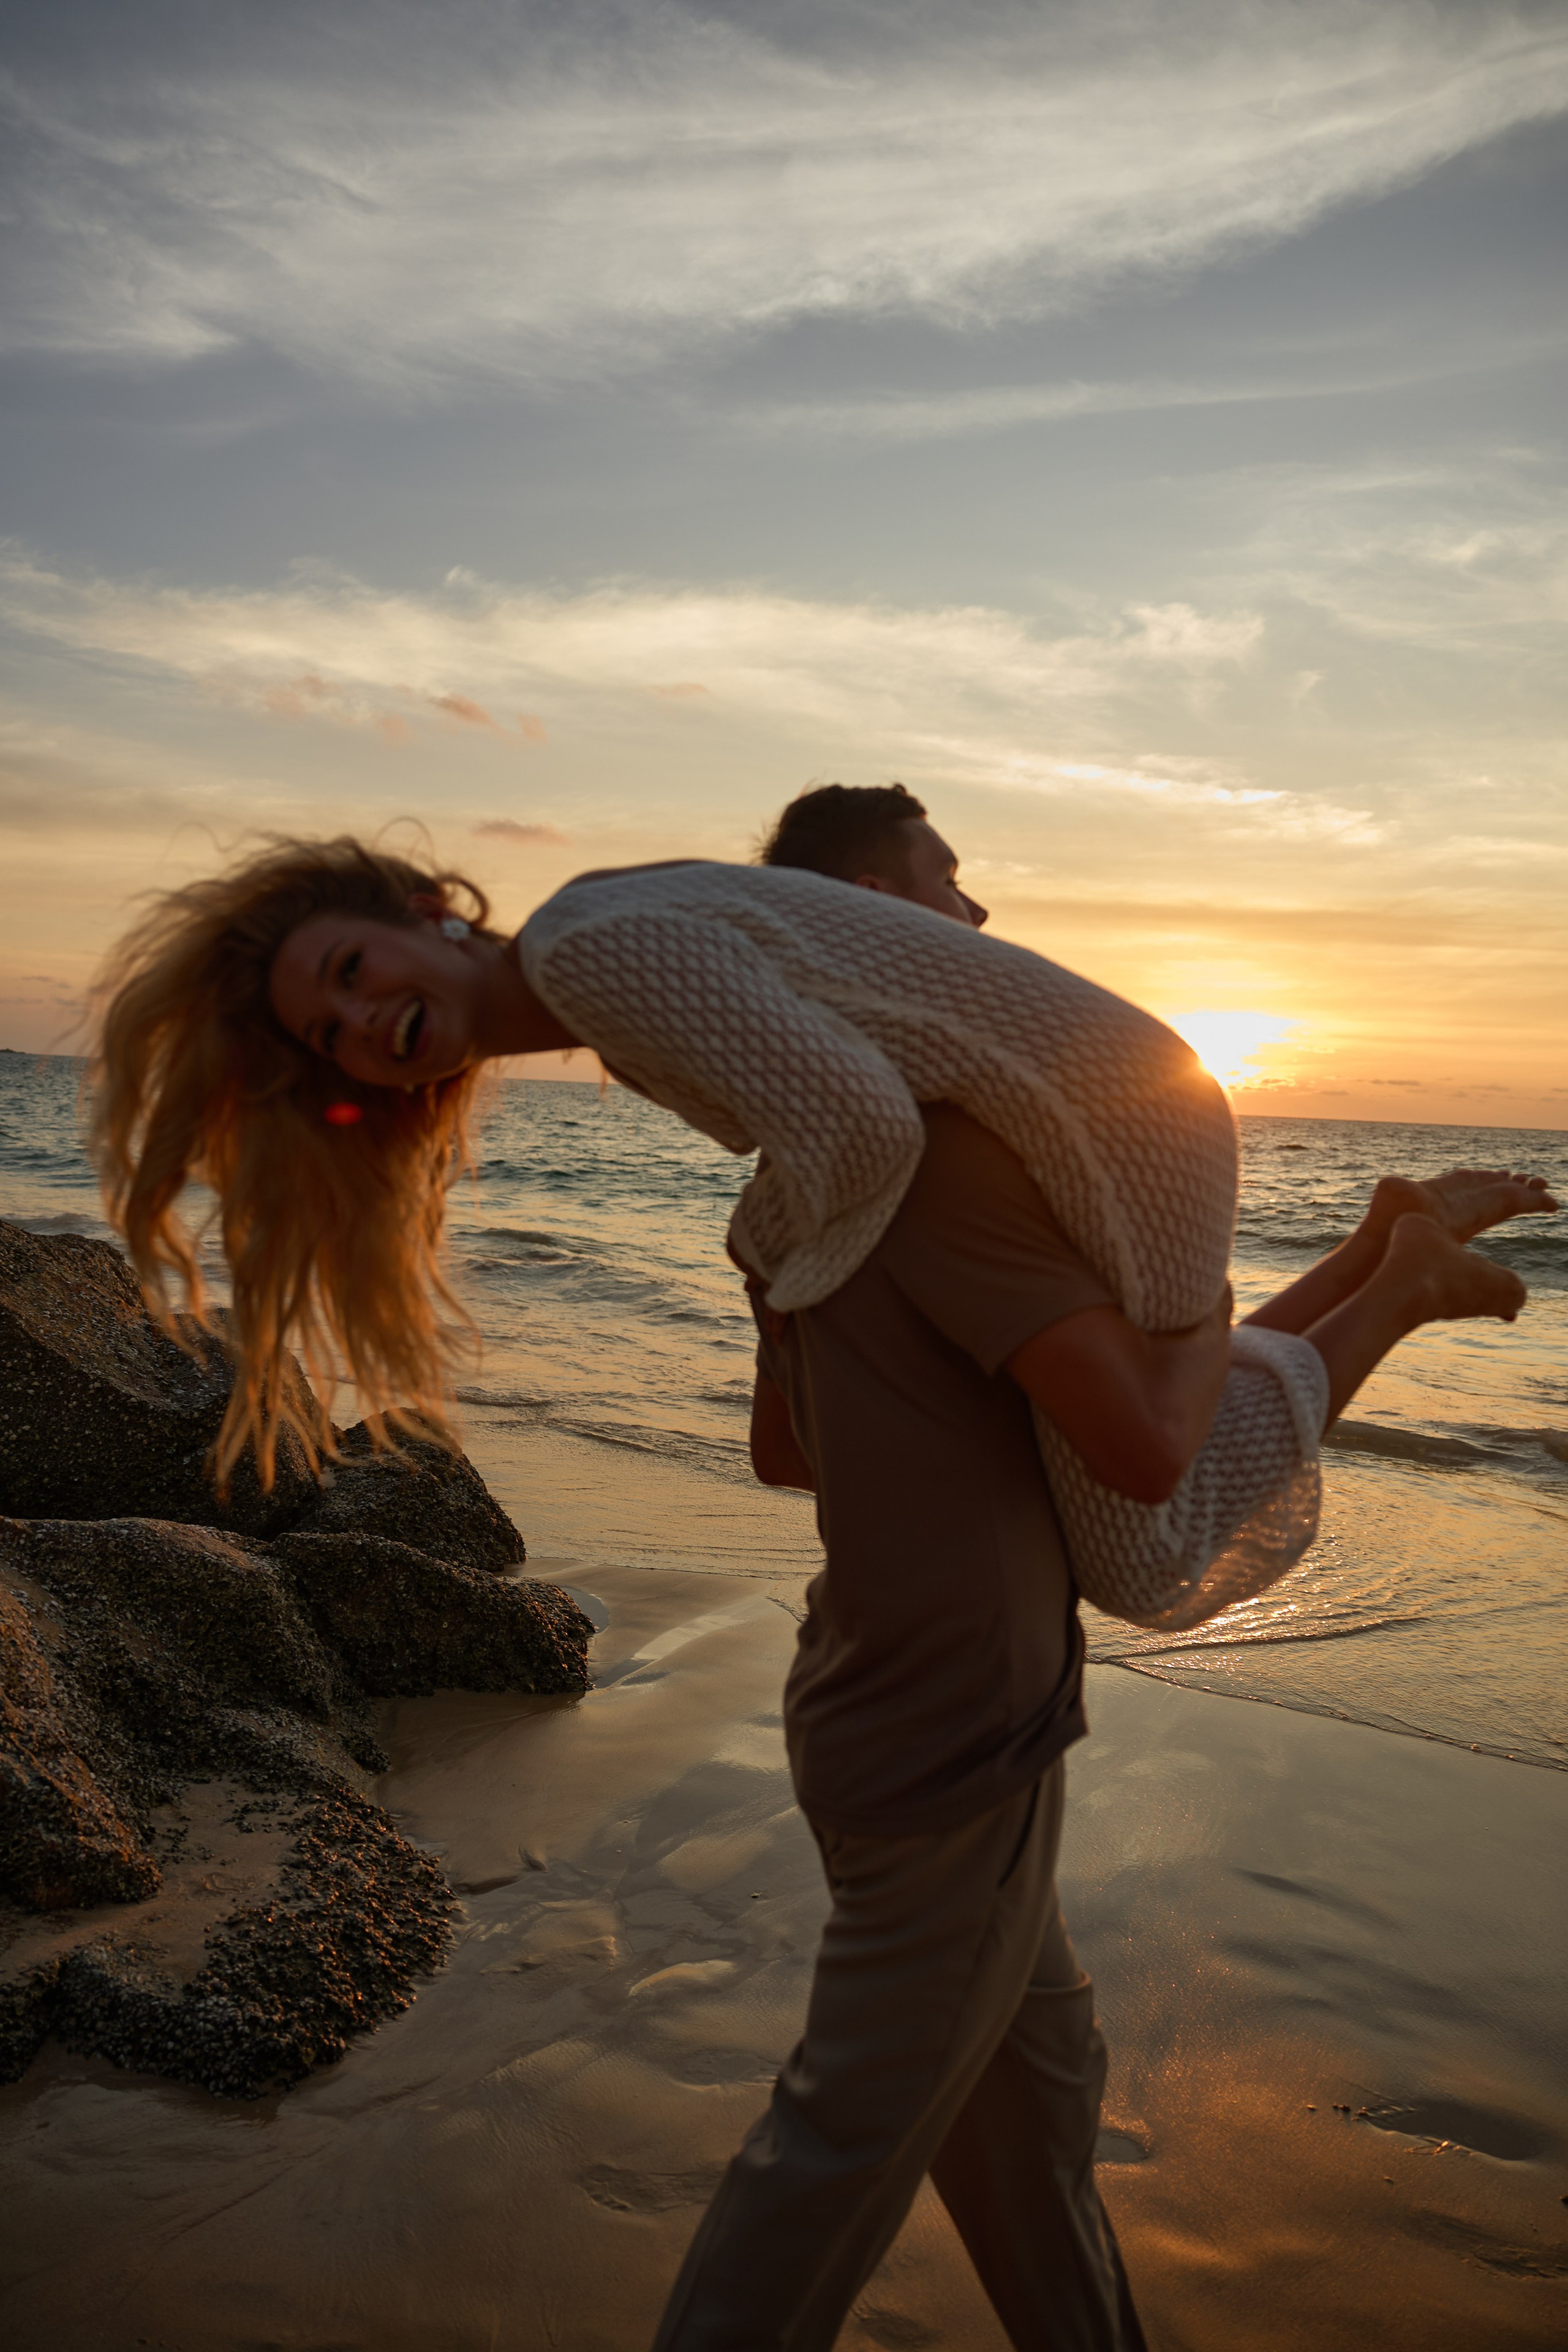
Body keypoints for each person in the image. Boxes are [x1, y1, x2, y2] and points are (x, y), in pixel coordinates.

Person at [91, 828, 1552, 2349]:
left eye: (346, 976)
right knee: (847, 2145)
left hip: (853, 1709)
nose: (971, 927)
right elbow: (1113, 1431)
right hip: (951, 1731)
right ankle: (1389, 1277)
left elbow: (791, 1449)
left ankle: (1383, 1268)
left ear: (412, 912)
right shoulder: (875, 1147)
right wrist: (794, 1248)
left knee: (1028, 2129)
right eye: (329, 1029)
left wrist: (783, 1255)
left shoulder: (781, 1123)